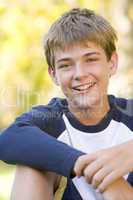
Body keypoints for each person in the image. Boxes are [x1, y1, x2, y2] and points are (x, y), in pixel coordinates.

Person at [0, 8, 133, 200]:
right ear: (53, 75)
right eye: (66, 65)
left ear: (111, 63)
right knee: (31, 161)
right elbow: (9, 138)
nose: (79, 73)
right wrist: (86, 166)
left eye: (91, 59)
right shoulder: (49, 120)